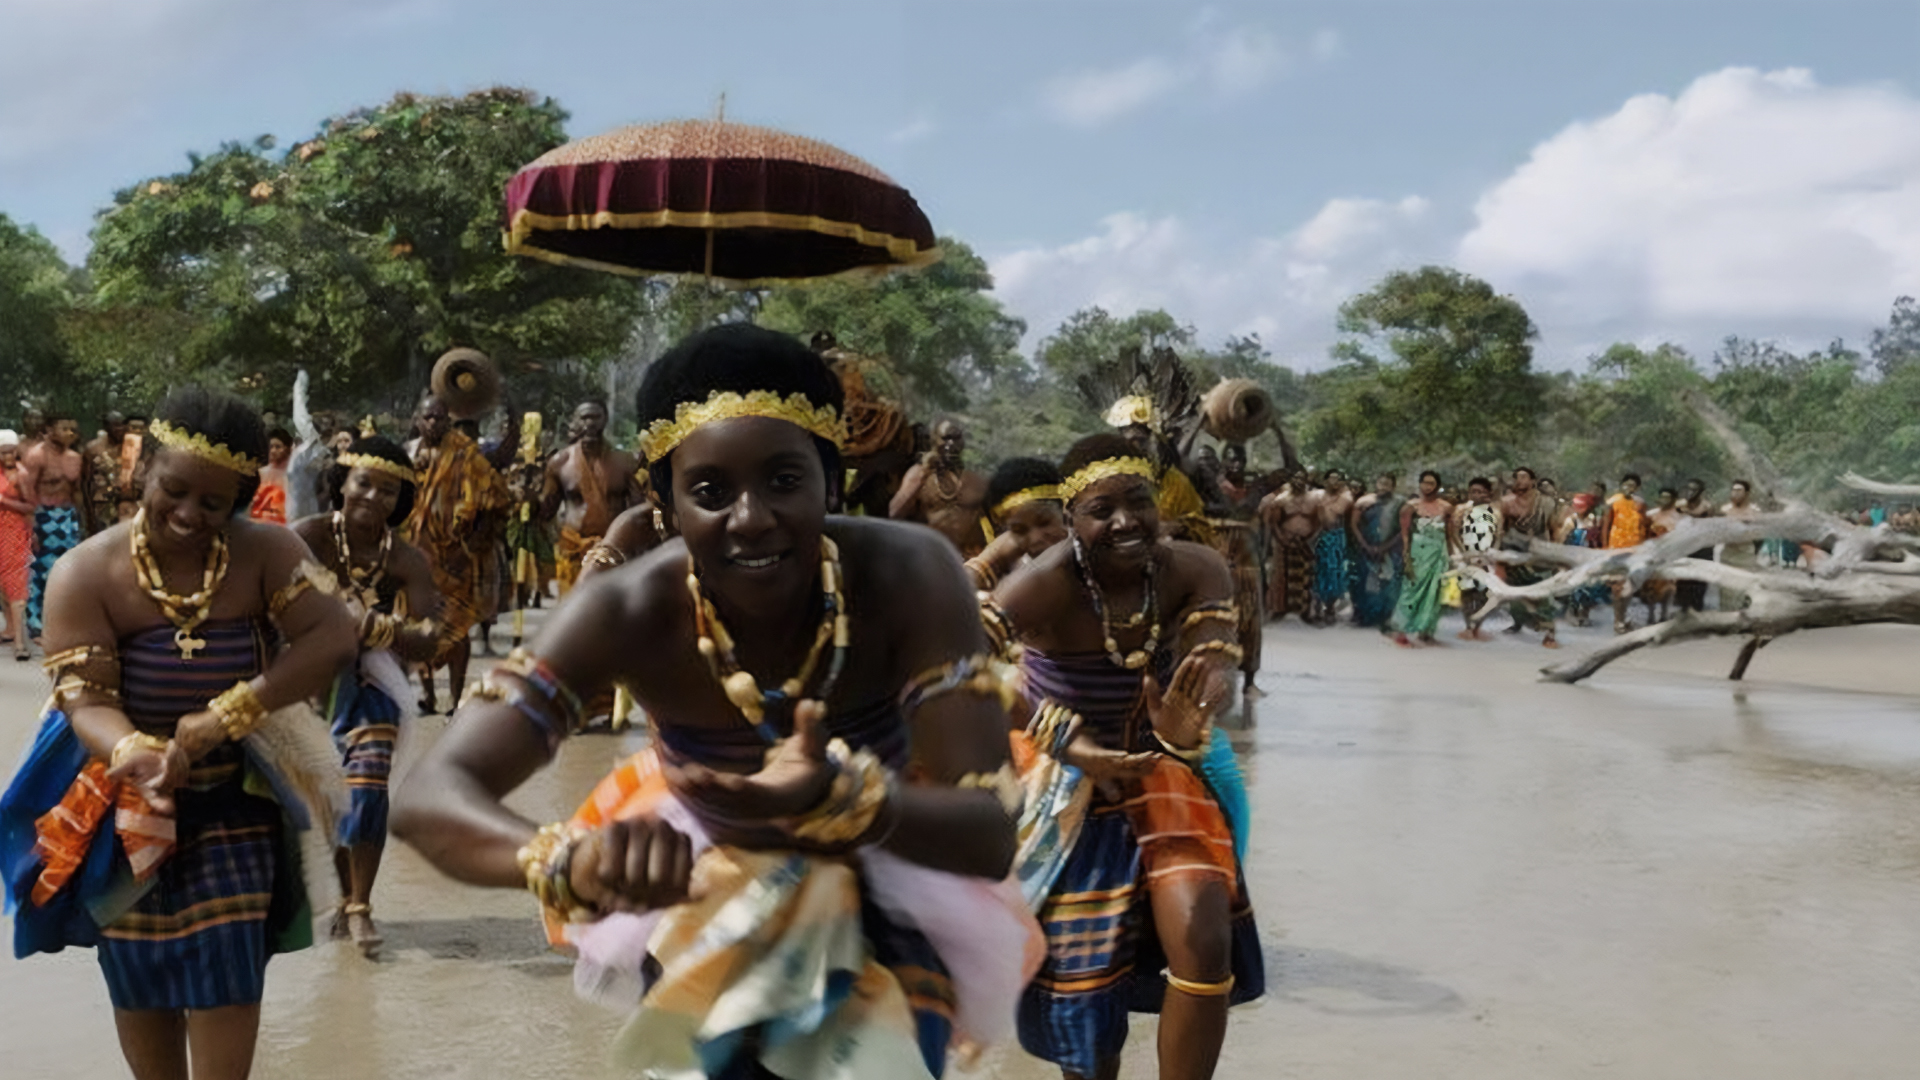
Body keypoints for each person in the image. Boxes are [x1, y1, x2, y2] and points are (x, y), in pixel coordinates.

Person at [390, 324, 1032, 1080]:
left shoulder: (909, 572)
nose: (751, 516)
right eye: (710, 492)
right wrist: (577, 860)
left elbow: (989, 831)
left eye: (785, 481)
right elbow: (429, 798)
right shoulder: (627, 608)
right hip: (703, 887)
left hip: (893, 883)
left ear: (832, 480)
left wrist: (841, 799)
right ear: (663, 504)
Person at [0, 387, 357, 1080]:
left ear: (241, 503)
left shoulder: (269, 552)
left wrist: (229, 714)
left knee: (227, 980)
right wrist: (135, 751)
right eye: (175, 491)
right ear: (144, 471)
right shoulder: (85, 571)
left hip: (234, 809)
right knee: (142, 987)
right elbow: (85, 699)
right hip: (124, 815)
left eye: (214, 504)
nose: (190, 515)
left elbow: (330, 635)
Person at [993, 432, 1262, 1080]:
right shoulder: (1042, 583)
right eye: (1100, 510)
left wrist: (1198, 707)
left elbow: (1215, 655)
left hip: (1158, 761)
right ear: (1070, 520)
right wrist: (1066, 739)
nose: (1124, 522)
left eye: (1138, 501)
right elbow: (951, 668)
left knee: (1203, 936)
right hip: (1059, 777)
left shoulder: (1196, 567)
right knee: (1086, 986)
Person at [290, 436, 443, 957]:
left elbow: (430, 637)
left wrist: (374, 626)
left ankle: (361, 906)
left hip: (373, 683)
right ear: (342, 484)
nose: (373, 498)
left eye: (388, 491)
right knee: (328, 796)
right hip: (305, 678)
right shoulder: (305, 537)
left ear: (401, 501)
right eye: (364, 484)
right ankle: (340, 897)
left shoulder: (407, 560)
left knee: (366, 784)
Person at [404, 394, 509, 713]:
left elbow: (496, 498)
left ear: (448, 420)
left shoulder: (466, 453)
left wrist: (474, 543)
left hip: (456, 555)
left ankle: (453, 699)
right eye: (427, 417)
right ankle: (427, 695)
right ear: (418, 420)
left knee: (457, 628)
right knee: (416, 624)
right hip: (416, 554)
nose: (433, 423)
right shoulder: (407, 454)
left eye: (439, 417)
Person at [543, 401, 645, 595]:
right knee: (573, 618)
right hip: (573, 551)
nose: (590, 423)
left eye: (595, 417)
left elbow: (638, 509)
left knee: (610, 617)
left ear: (605, 420)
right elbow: (546, 512)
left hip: (614, 550)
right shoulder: (560, 462)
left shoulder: (624, 462)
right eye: (584, 417)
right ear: (574, 421)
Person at [20, 412, 85, 641]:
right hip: (43, 517)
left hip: (68, 518)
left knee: (66, 573)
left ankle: (58, 622)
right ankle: (36, 624)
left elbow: (76, 491)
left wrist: (81, 523)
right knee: (40, 572)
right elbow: (27, 491)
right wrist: (32, 527)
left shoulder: (75, 457)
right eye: (64, 428)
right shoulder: (36, 455)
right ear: (49, 430)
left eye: (73, 429)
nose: (70, 433)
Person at [964, 456, 1068, 593]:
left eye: (1044, 523)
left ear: (1066, 512)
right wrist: (988, 558)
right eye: (1020, 531)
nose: (1036, 538)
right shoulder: (1015, 568)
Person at [890, 417, 990, 558]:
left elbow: (993, 521)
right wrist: (920, 479)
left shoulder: (975, 480)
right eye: (946, 438)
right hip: (931, 555)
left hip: (967, 558)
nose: (951, 444)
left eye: (956, 438)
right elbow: (894, 513)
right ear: (934, 440)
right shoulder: (919, 473)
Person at [1498, 466, 1559, 647]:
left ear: (1533, 481)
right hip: (1514, 549)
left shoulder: (1546, 503)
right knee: (1515, 590)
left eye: (1524, 477)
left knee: (1544, 591)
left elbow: (1553, 528)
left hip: (1538, 550)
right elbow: (1503, 529)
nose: (1519, 481)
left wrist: (1555, 553)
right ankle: (1518, 622)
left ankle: (1549, 632)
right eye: (1516, 477)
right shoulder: (1507, 502)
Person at [1392, 471, 1451, 647]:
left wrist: (1452, 556)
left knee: (1434, 594)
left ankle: (1426, 631)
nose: (1427, 487)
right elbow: (1404, 534)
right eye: (1424, 483)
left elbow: (1449, 534)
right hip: (1418, 553)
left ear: (1438, 486)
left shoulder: (1446, 507)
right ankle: (1401, 631)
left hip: (1439, 553)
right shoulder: (1411, 507)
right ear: (1419, 484)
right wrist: (1406, 557)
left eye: (1431, 483)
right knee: (1410, 591)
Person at [1259, 469, 1320, 624]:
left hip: (1306, 542)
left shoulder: (1314, 499)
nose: (1298, 481)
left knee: (1306, 576)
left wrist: (1310, 538)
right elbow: (1274, 523)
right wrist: (1282, 539)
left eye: (1301, 478)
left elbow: (1318, 522)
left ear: (1306, 480)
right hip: (1284, 541)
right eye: (1295, 477)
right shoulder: (1281, 499)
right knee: (1281, 576)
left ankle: (1305, 611)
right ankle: (1279, 610)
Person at [1348, 472, 1405, 632]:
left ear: (1393, 486)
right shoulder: (1364, 502)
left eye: (1387, 484)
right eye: (1381, 483)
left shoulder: (1401, 503)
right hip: (1366, 546)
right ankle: (1364, 615)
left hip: (1392, 548)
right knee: (1364, 581)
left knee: (1390, 583)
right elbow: (1354, 525)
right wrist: (1365, 545)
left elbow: (1404, 528)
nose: (1383, 487)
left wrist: (1386, 546)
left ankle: (1386, 617)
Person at [1450, 477, 1503, 641]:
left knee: (1483, 594)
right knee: (1466, 593)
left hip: (1485, 558)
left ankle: (1477, 627)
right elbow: (1454, 533)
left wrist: (1490, 556)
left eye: (1480, 492)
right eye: (1473, 491)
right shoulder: (1461, 510)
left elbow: (1498, 536)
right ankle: (1468, 626)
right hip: (1466, 556)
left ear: (1488, 494)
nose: (1476, 495)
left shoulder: (1493, 513)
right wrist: (1463, 555)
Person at [1600, 473, 1649, 634]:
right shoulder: (1613, 502)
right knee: (1616, 587)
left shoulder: (1641, 504)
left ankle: (1623, 617)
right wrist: (1605, 548)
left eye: (1632, 486)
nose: (1629, 488)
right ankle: (1617, 621)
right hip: (1616, 549)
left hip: (1635, 550)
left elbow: (1644, 527)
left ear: (1637, 488)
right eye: (1626, 485)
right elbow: (1605, 526)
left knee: (1629, 586)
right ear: (1621, 485)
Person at [0, 431, 33, 659]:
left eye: (12, 450)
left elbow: (30, 508)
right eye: (3, 452)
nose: (9, 455)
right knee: (3, 585)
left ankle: (20, 644)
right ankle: (10, 629)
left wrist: (3, 501)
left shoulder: (23, 475)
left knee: (15, 584)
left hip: (13, 532)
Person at [1556, 493, 1608, 627]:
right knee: (1574, 587)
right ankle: (1572, 613)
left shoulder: (1594, 520)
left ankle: (1584, 613)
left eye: (1582, 506)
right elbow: (1561, 541)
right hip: (1573, 559)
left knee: (1590, 587)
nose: (1579, 509)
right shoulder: (1571, 521)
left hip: (1590, 558)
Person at [1312, 469, 1355, 626]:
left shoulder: (1346, 498)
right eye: (1331, 478)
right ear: (1325, 481)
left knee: (1334, 573)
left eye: (1337, 479)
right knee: (1317, 571)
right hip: (1318, 536)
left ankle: (1330, 608)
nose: (1334, 482)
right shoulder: (1316, 496)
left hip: (1336, 537)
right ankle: (1315, 608)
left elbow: (1347, 520)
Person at [81, 410, 130, 535]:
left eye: (122, 424)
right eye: (115, 425)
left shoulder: (131, 448)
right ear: (106, 427)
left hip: (126, 507)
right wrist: (90, 516)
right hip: (102, 507)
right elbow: (85, 483)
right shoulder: (93, 449)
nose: (120, 429)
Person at [1673, 479, 1716, 612]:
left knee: (1700, 577)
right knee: (1683, 577)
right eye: (1689, 488)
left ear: (1701, 491)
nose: (1691, 492)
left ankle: (1697, 607)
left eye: (1694, 489)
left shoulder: (1707, 506)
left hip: (1702, 547)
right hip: (1684, 545)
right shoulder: (1679, 504)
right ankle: (1684, 608)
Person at [1719, 480, 1762, 611]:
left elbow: (1759, 533)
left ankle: (1744, 615)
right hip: (1728, 552)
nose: (1735, 493)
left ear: (1747, 493)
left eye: (1739, 490)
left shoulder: (1755, 511)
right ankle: (1726, 616)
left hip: (1745, 553)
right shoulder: (1724, 510)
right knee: (1727, 588)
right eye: (1733, 490)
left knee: (1744, 586)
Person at [247, 427, 293, 524]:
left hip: (281, 525)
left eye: (278, 447)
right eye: (271, 447)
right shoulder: (259, 473)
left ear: (288, 449)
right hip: (255, 523)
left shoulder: (291, 475)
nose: (273, 451)